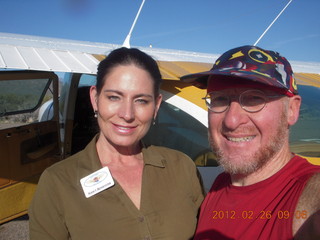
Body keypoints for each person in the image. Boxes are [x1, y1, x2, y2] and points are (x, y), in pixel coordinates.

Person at [29, 47, 204, 240]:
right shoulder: (57, 182)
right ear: (95, 99)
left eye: (141, 101)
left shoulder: (182, 167)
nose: (127, 114)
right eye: (114, 97)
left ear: (156, 105)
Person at [181, 45, 320, 240]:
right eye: (220, 99)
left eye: (254, 99)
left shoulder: (307, 193)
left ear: (292, 110)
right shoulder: (221, 183)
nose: (232, 121)